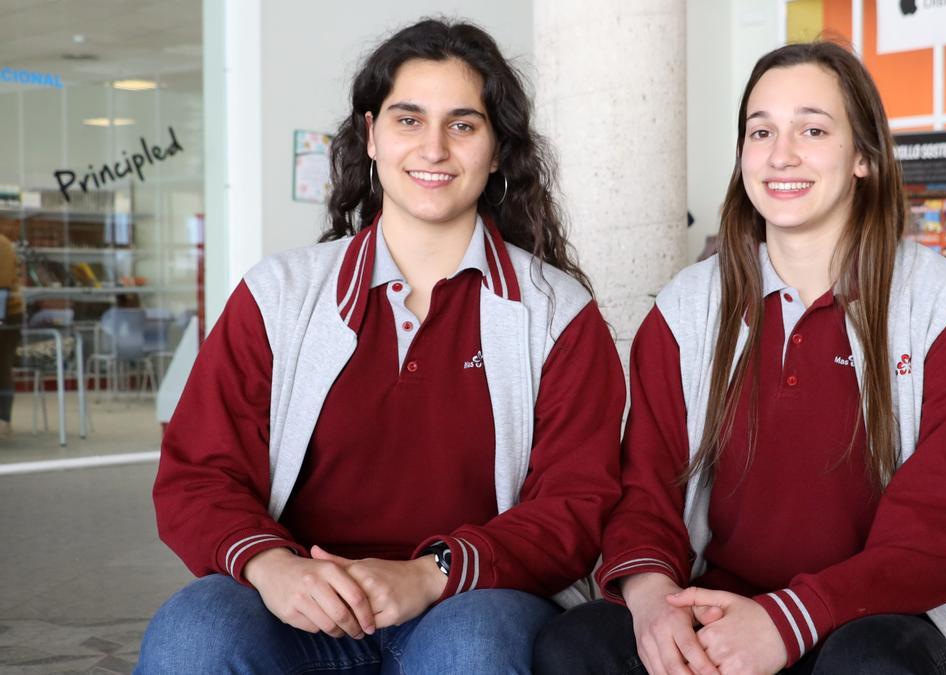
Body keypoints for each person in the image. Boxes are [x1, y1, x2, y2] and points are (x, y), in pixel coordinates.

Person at [138, 19, 624, 674]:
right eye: (408, 119)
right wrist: (272, 565)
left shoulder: (558, 313)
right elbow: (198, 470)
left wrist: (428, 574)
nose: (434, 147)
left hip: (469, 599)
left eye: (463, 124)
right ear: (370, 135)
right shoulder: (278, 295)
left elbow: (574, 505)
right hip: (300, 601)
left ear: (498, 149)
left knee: (471, 648)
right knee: (193, 630)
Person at [535, 41, 946, 675]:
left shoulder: (944, 310)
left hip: (878, 617)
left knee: (871, 665)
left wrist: (790, 619)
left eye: (813, 129)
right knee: (576, 647)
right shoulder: (688, 309)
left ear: (863, 158)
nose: (781, 154)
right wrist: (651, 594)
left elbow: (942, 536)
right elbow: (646, 488)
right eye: (760, 131)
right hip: (722, 603)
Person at [0, 233, 23, 438]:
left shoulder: (3, 245)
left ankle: (3, 419)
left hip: (8, 313)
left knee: (2, 365)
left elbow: (3, 283)